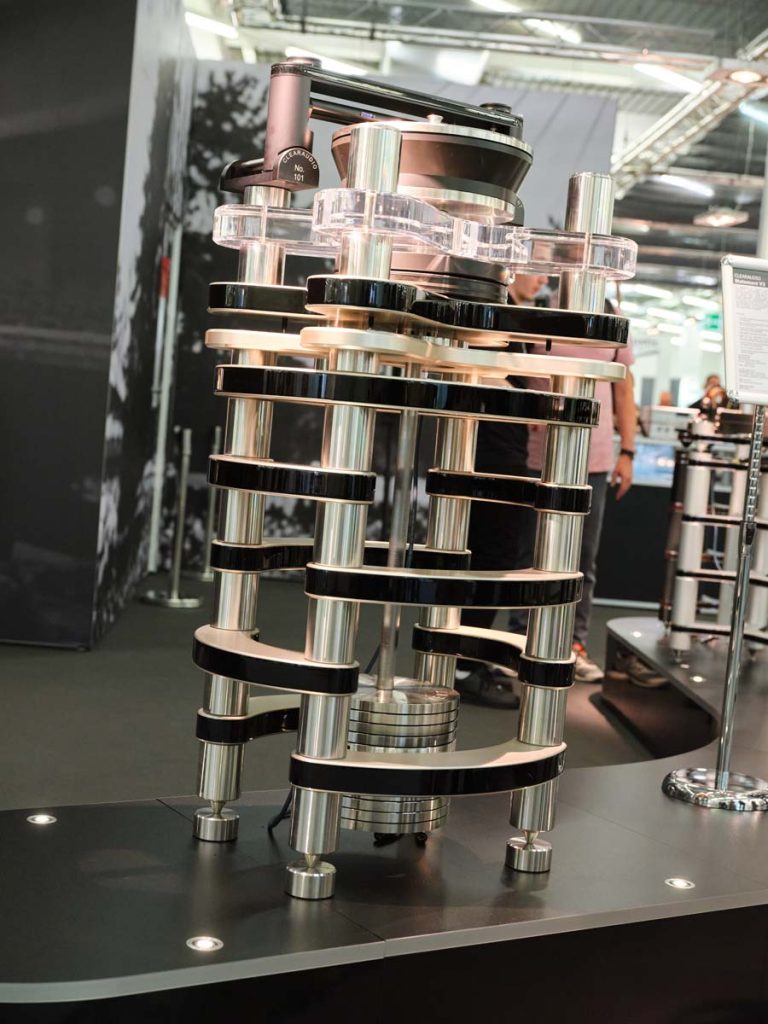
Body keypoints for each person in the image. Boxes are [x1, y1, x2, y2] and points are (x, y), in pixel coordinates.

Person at [525, 298, 636, 683]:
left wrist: (628, 451)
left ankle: (575, 644)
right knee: (530, 553)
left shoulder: (613, 318)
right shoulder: (542, 310)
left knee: (582, 558)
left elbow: (624, 389)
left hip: (595, 459)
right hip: (537, 456)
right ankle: (523, 638)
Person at [455, 273, 549, 708]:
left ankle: (469, 657)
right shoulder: (491, 310)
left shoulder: (511, 314)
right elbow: (475, 369)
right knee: (490, 556)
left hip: (504, 446)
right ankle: (464, 665)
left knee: (494, 555)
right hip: (489, 448)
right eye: (534, 266)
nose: (542, 277)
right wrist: (524, 402)